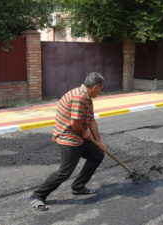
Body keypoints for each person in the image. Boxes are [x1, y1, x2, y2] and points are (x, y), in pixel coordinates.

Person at [30, 72, 106, 211]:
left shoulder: (87, 97)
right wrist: (84, 133)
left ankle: (78, 187)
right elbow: (74, 123)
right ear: (95, 87)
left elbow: (91, 121)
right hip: (68, 136)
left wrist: (98, 141)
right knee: (65, 171)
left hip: (78, 135)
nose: (101, 91)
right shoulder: (79, 97)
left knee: (97, 154)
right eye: (101, 88)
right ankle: (38, 196)